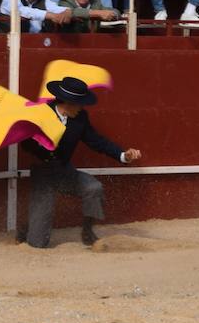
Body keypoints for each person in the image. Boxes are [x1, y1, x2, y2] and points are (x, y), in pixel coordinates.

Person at [19, 75, 142, 249]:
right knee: (37, 243)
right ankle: (26, 228)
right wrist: (42, 145)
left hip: (64, 170)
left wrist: (123, 155)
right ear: (68, 102)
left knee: (93, 188)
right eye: (80, 103)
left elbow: (96, 141)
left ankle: (87, 232)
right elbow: (25, 144)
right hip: (43, 174)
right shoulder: (41, 113)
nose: (83, 107)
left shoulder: (80, 118)